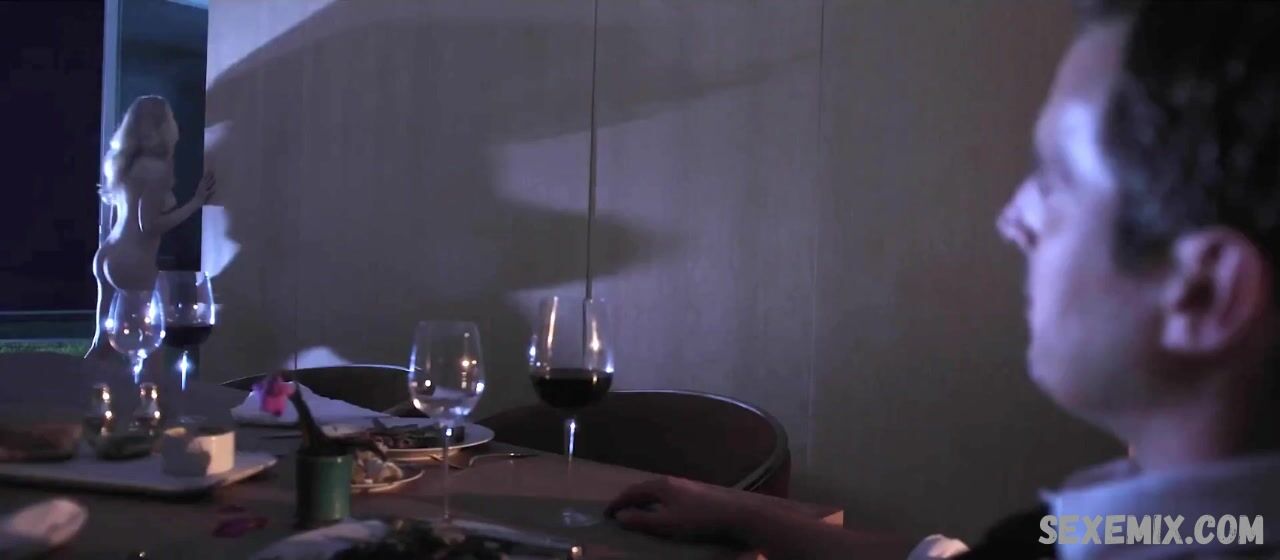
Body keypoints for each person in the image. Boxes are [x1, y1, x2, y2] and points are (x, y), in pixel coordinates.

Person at [606, 1, 1280, 558]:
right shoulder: (1180, 525)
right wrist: (745, 515)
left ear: (1205, 294)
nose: (1013, 219)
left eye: (1056, 180)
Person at [87, 96, 216, 361]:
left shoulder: (123, 163)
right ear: (164, 126)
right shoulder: (156, 169)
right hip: (134, 261)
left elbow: (114, 217)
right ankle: (152, 390)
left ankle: (77, 385)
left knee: (103, 344)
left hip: (108, 254)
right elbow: (149, 226)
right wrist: (195, 203)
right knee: (151, 344)